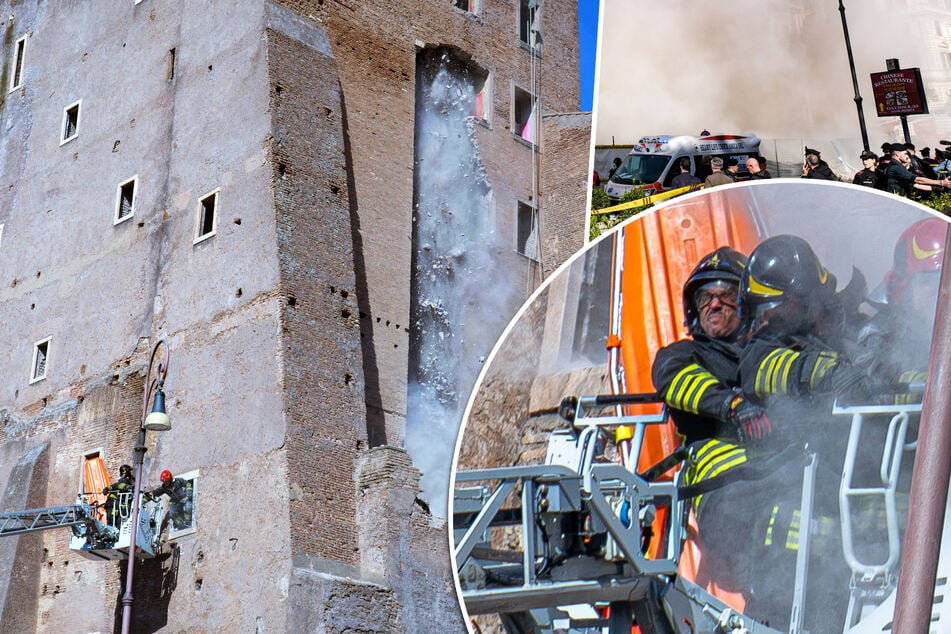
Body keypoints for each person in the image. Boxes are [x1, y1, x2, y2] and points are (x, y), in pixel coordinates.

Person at [736, 235, 871, 631]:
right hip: (789, 549)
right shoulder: (763, 352)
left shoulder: (856, 332)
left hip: (859, 542)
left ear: (804, 299)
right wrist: (826, 372)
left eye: (771, 308)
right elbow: (763, 371)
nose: (763, 320)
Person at [651, 248, 772, 605]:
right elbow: (676, 381)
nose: (714, 305)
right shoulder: (682, 357)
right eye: (706, 297)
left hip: (779, 484)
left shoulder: (768, 353)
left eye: (726, 295)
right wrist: (732, 406)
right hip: (725, 495)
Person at [886, 143, 951, 196]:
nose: (907, 156)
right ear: (898, 154)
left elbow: (914, 184)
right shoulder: (896, 167)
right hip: (898, 199)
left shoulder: (896, 166)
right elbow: (917, 179)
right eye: (905, 154)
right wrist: (941, 183)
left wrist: (940, 188)